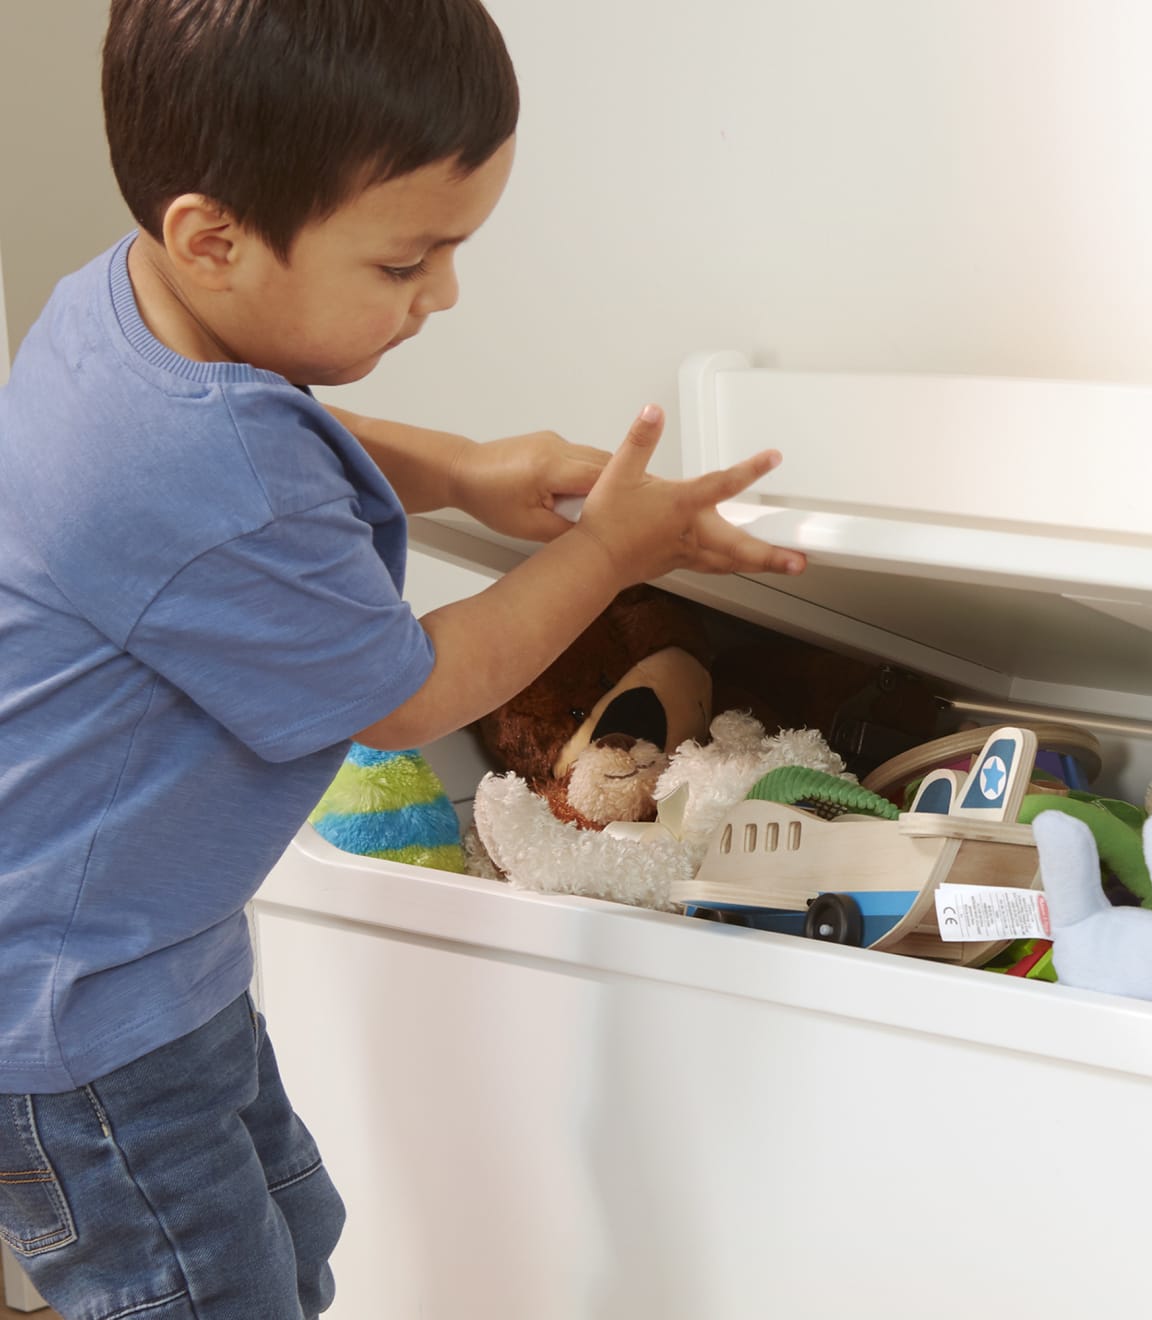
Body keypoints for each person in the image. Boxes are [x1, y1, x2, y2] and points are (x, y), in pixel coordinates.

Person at [0, 1, 805, 1316]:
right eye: (405, 263)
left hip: (132, 967)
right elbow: (413, 693)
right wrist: (606, 553)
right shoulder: (200, 467)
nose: (442, 294)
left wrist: (461, 470)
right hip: (85, 1024)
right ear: (214, 236)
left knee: (285, 1241)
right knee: (205, 1293)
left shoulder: (124, 311)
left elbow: (274, 430)